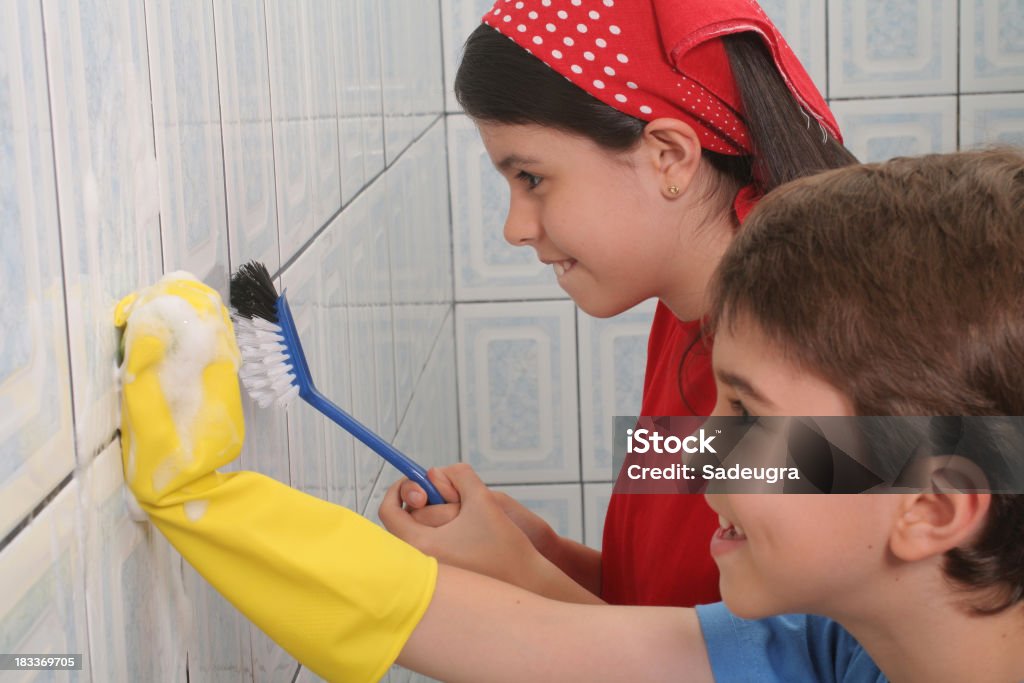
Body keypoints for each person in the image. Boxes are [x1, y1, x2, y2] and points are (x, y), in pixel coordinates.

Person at [119, 148, 1024, 682]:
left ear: (934, 507)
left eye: (747, 410)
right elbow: (530, 645)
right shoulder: (839, 642)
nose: (700, 445)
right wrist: (210, 500)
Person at [391, 0, 857, 607]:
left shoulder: (809, 372)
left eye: (530, 177)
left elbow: (761, 665)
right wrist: (541, 553)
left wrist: (521, 577)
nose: (514, 228)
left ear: (670, 155)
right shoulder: (687, 314)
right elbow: (672, 598)